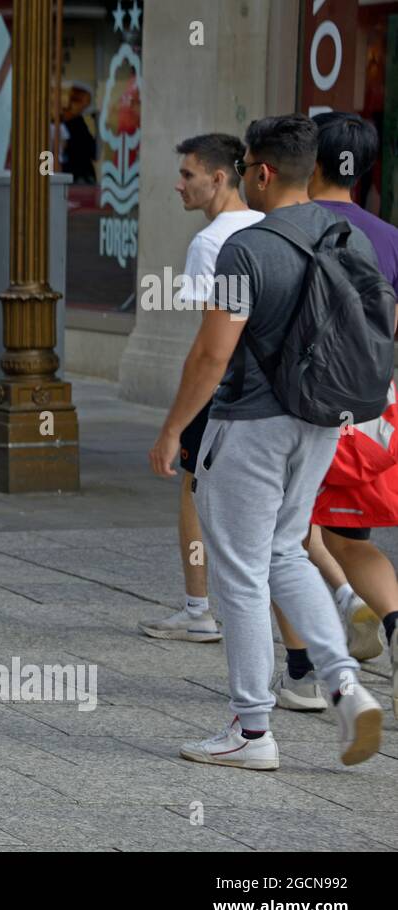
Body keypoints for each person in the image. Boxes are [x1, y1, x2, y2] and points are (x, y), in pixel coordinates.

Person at [149, 113, 385, 771]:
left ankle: (252, 730)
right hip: (319, 419)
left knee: (241, 571)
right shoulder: (347, 236)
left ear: (259, 170)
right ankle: (341, 682)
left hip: (249, 424)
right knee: (286, 550)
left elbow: (210, 354)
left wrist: (172, 430)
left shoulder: (244, 248)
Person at [273, 111, 398, 716]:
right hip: (372, 408)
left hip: (299, 405)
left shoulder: (291, 227)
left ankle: (301, 672)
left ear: (308, 159)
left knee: (284, 539)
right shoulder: (389, 236)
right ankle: (394, 625)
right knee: (348, 535)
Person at [139, 133, 263, 643]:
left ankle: (197, 608)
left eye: (188, 175)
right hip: (268, 386)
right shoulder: (265, 226)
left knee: (192, 486)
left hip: (225, 384)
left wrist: (175, 422)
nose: (178, 184)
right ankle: (347, 599)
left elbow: (210, 341)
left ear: (218, 178)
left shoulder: (211, 243)